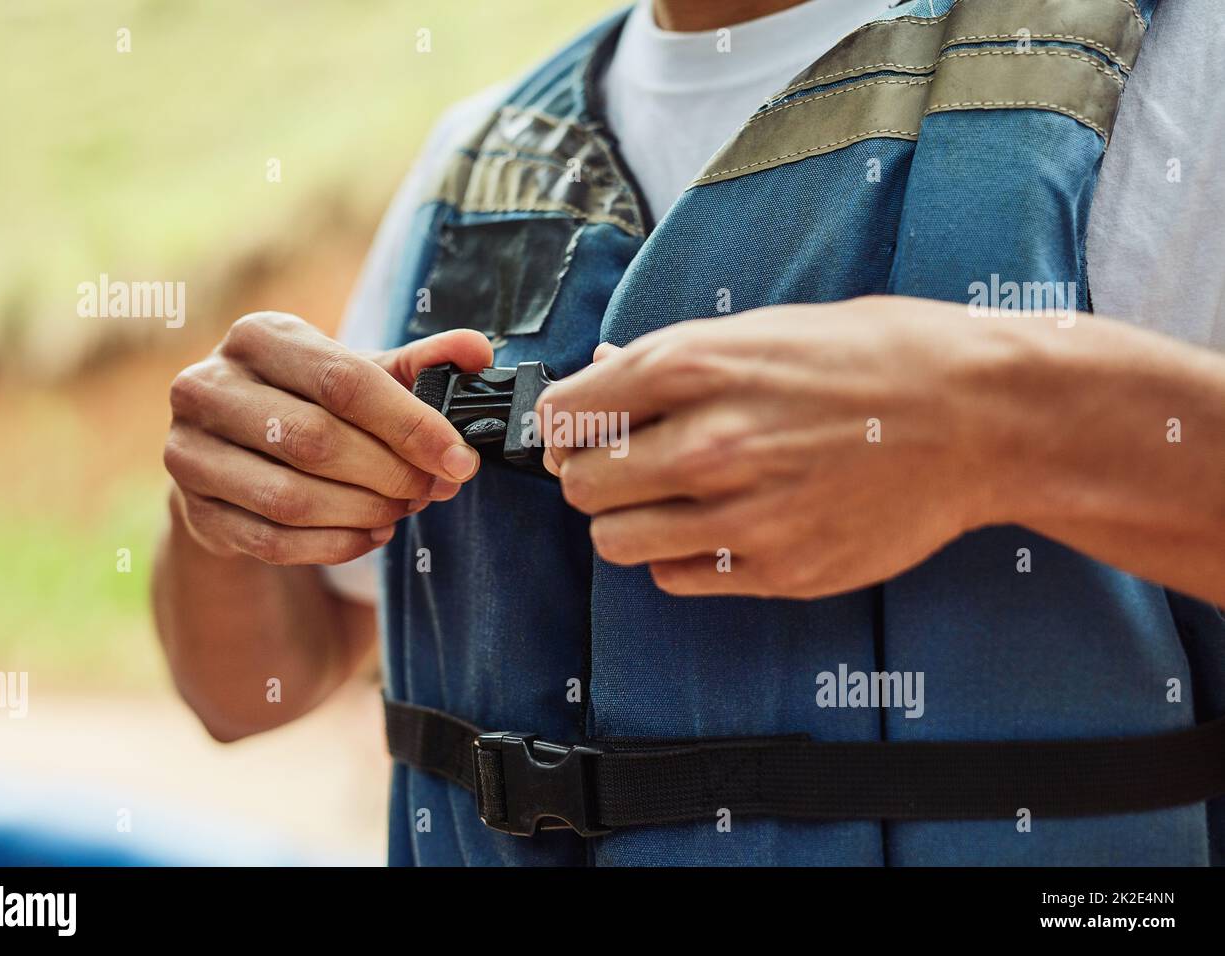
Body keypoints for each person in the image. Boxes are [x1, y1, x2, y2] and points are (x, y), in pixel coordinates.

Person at [153, 0, 1225, 865]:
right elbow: (246, 689)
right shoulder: (476, 160)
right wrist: (229, 507)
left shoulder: (1180, 76)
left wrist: (1010, 420)